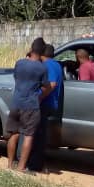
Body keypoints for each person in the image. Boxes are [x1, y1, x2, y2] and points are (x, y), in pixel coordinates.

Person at [6, 40, 51, 174]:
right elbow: (46, 86)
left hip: (15, 103)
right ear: (43, 52)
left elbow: (16, 77)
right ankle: (21, 168)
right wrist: (40, 94)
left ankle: (9, 165)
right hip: (30, 106)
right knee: (28, 136)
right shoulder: (42, 68)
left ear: (31, 49)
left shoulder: (19, 63)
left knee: (14, 134)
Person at [28, 42, 63, 173]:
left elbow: (52, 84)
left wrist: (39, 97)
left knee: (38, 136)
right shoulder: (56, 65)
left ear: (42, 54)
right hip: (50, 104)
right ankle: (38, 164)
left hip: (45, 103)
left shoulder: (48, 65)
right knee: (40, 135)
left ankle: (35, 165)